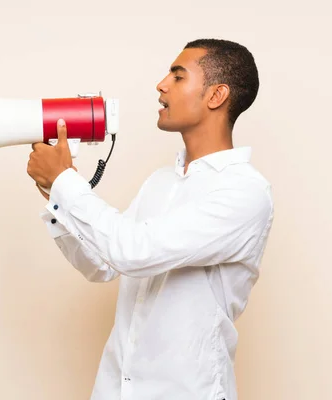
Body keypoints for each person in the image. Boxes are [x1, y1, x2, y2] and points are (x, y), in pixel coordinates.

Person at [26, 38, 274, 400]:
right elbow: (103, 265)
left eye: (177, 76)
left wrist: (66, 183)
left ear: (216, 95)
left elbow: (134, 253)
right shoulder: (162, 181)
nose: (161, 85)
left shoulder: (244, 192)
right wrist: (57, 199)